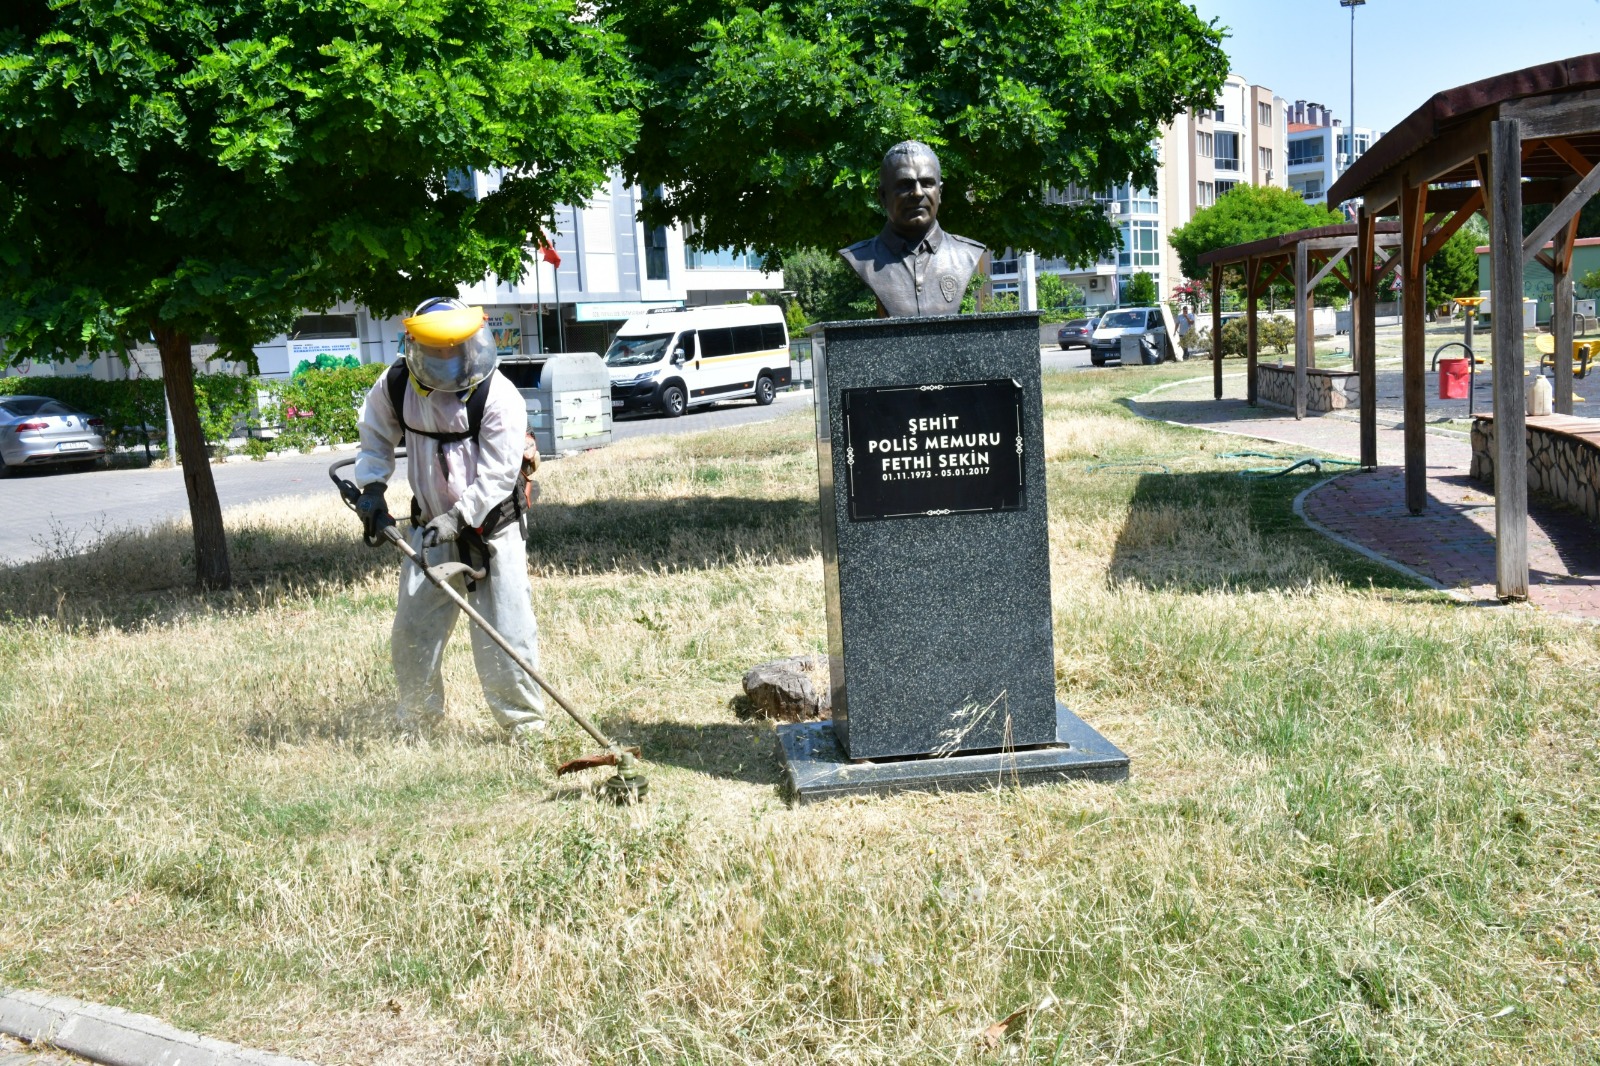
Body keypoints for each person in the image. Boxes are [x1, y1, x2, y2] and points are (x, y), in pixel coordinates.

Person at [352, 297, 546, 744]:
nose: (447, 359)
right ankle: (418, 724)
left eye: (454, 348)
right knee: (413, 634)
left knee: (507, 635)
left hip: (491, 531)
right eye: (436, 351)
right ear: (416, 347)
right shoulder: (397, 383)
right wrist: (373, 488)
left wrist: (459, 516)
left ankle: (526, 731)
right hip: (429, 531)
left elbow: (498, 474)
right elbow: (375, 437)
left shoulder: (498, 394)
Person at [839, 140, 985, 318]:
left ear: (939, 193)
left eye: (927, 183)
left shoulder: (966, 254)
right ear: (883, 196)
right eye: (905, 185)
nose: (918, 193)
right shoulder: (860, 258)